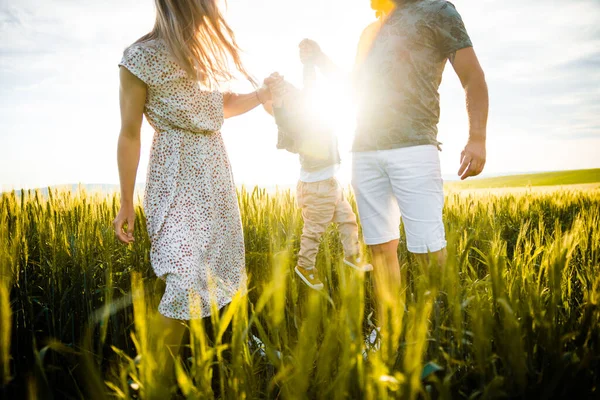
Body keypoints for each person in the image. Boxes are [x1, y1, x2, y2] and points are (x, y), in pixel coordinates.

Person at [112, 0, 274, 379]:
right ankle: (157, 381)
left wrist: (263, 94)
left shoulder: (202, 58)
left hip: (213, 173)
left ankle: (223, 362)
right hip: (174, 173)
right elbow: (129, 133)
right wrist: (126, 202)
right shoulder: (138, 57)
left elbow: (224, 105)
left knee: (218, 271)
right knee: (184, 276)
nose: (209, 14)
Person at [299, 0, 489, 312]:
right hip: (364, 151)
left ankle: (443, 334)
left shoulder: (439, 11)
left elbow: (473, 77)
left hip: (414, 148)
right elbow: (355, 88)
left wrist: (477, 138)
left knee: (428, 248)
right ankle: (389, 331)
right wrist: (320, 59)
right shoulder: (369, 32)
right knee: (379, 249)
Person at [263, 64, 373, 291]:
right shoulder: (297, 124)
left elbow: (310, 86)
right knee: (314, 230)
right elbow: (282, 118)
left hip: (330, 185)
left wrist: (308, 62)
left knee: (348, 220)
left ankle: (352, 255)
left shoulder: (313, 111)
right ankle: (304, 266)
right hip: (318, 188)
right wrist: (278, 96)